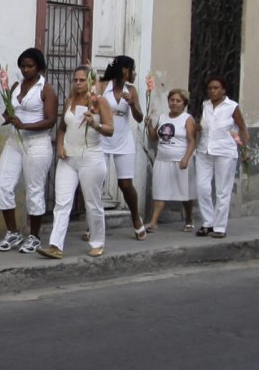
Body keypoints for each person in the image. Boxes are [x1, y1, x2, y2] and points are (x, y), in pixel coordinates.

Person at [40, 67, 114, 259]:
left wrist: (95, 123)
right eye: (75, 80)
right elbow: (63, 127)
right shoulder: (70, 101)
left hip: (91, 158)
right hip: (68, 158)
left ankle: (97, 242)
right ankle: (55, 245)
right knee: (62, 202)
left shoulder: (99, 102)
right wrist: (60, 147)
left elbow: (110, 129)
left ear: (90, 81)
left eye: (82, 80)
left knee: (92, 202)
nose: (78, 83)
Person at [0, 48, 58, 252]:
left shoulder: (46, 89)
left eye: (30, 66)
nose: (26, 70)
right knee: (2, 185)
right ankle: (12, 233)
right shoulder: (15, 87)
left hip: (37, 144)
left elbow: (51, 121)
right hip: (14, 142)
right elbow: (8, 115)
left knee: (34, 190)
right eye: (23, 66)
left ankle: (35, 236)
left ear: (39, 67)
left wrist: (25, 126)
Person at [97, 57, 145, 238]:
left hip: (123, 140)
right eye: (131, 69)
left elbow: (139, 118)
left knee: (125, 184)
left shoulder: (131, 90)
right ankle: (94, 224)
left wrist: (132, 104)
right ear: (124, 70)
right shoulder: (103, 86)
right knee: (97, 181)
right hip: (102, 137)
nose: (134, 73)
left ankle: (135, 218)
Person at [192, 76, 242, 238]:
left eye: (216, 88)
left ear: (223, 90)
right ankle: (208, 222)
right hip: (204, 150)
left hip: (225, 151)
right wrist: (194, 126)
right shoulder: (205, 105)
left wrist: (246, 150)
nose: (212, 91)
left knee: (222, 190)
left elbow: (242, 128)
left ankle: (220, 226)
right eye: (210, 88)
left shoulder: (232, 106)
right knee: (202, 187)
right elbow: (204, 126)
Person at [141, 87, 195, 238]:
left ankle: (189, 219)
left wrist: (186, 158)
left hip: (180, 161)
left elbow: (192, 141)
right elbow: (154, 137)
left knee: (185, 192)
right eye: (172, 100)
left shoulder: (187, 119)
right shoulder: (163, 117)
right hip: (162, 160)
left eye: (178, 101)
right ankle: (153, 222)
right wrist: (149, 125)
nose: (174, 103)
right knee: (160, 191)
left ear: (184, 103)